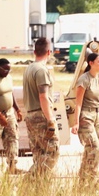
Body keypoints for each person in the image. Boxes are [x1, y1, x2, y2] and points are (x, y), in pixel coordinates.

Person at [71, 51, 99, 179]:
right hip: (86, 116)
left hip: (97, 115)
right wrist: (76, 123)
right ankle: (91, 177)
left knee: (91, 149)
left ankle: (83, 178)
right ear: (91, 63)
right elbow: (78, 103)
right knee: (94, 147)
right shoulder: (84, 79)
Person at [22, 36, 59, 176]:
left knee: (39, 154)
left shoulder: (29, 69)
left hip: (31, 115)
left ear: (34, 52)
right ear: (49, 52)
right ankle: (28, 182)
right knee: (52, 153)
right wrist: (50, 120)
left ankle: (37, 188)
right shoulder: (41, 70)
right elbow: (43, 96)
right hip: (41, 115)